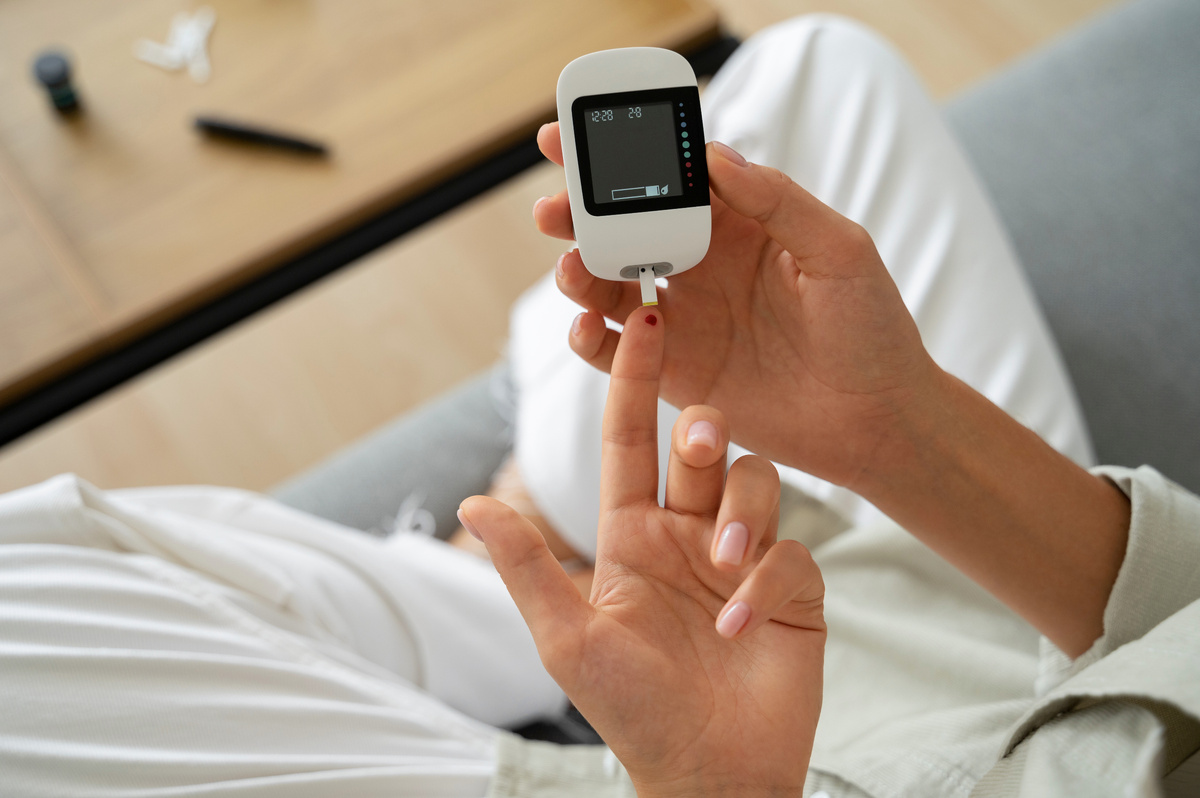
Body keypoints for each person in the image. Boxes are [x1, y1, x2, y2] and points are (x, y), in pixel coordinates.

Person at [1, 15, 1197, 798]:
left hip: (732, 766)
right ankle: (551, 522)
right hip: (999, 607)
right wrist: (897, 430)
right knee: (823, 67)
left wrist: (713, 782)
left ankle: (516, 595)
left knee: (25, 589)